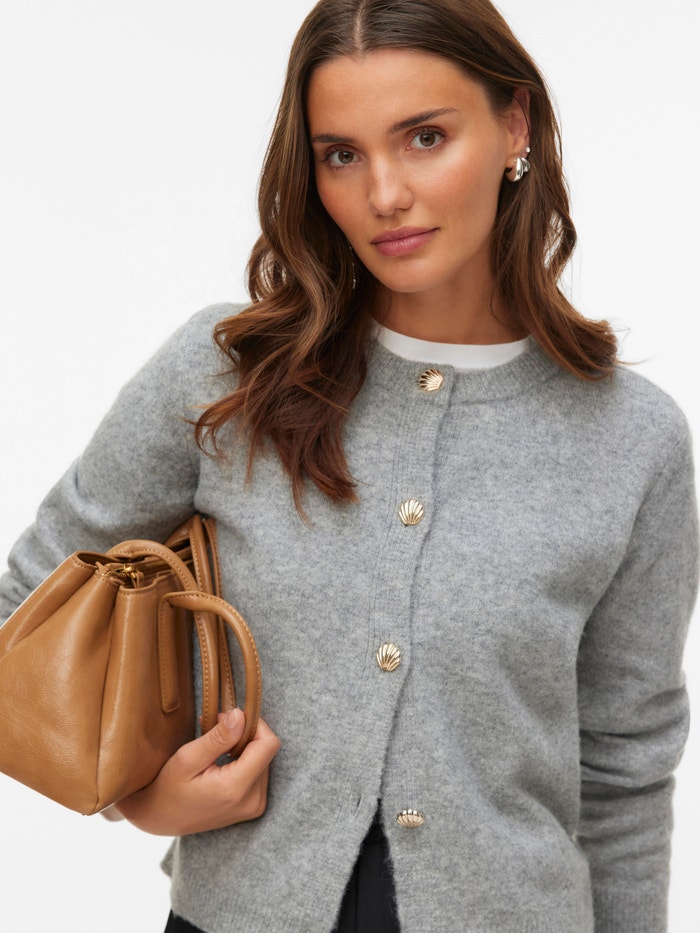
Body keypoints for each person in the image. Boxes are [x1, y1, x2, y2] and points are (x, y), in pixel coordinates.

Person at [0, 0, 697, 931]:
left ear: (514, 126)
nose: (385, 194)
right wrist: (137, 795)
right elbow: (23, 618)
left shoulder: (632, 437)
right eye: (341, 154)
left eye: (425, 137)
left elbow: (622, 770)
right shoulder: (225, 377)